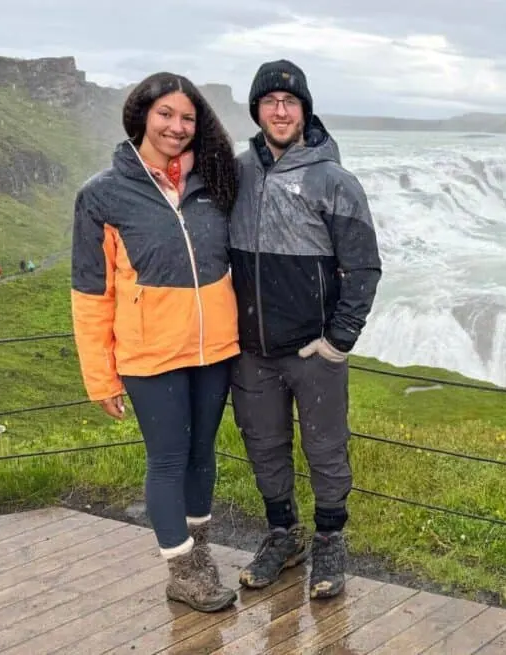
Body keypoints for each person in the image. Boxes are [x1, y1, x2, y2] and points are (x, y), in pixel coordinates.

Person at [70, 72, 241, 612]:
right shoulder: (103, 194)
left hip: (215, 348)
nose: (177, 126)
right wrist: (101, 375)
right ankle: (182, 569)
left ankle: (200, 552)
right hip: (149, 355)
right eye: (166, 114)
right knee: (167, 460)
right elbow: (90, 292)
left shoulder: (215, 182)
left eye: (187, 117)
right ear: (142, 115)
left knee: (202, 456)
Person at [228, 59, 381, 599]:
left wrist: (339, 342)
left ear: (305, 110)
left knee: (325, 449)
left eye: (290, 101)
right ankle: (282, 536)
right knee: (264, 448)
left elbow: (364, 268)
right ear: (256, 110)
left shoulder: (334, 180)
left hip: (313, 351)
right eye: (270, 100)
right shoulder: (237, 173)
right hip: (251, 352)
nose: (280, 109)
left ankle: (331, 540)